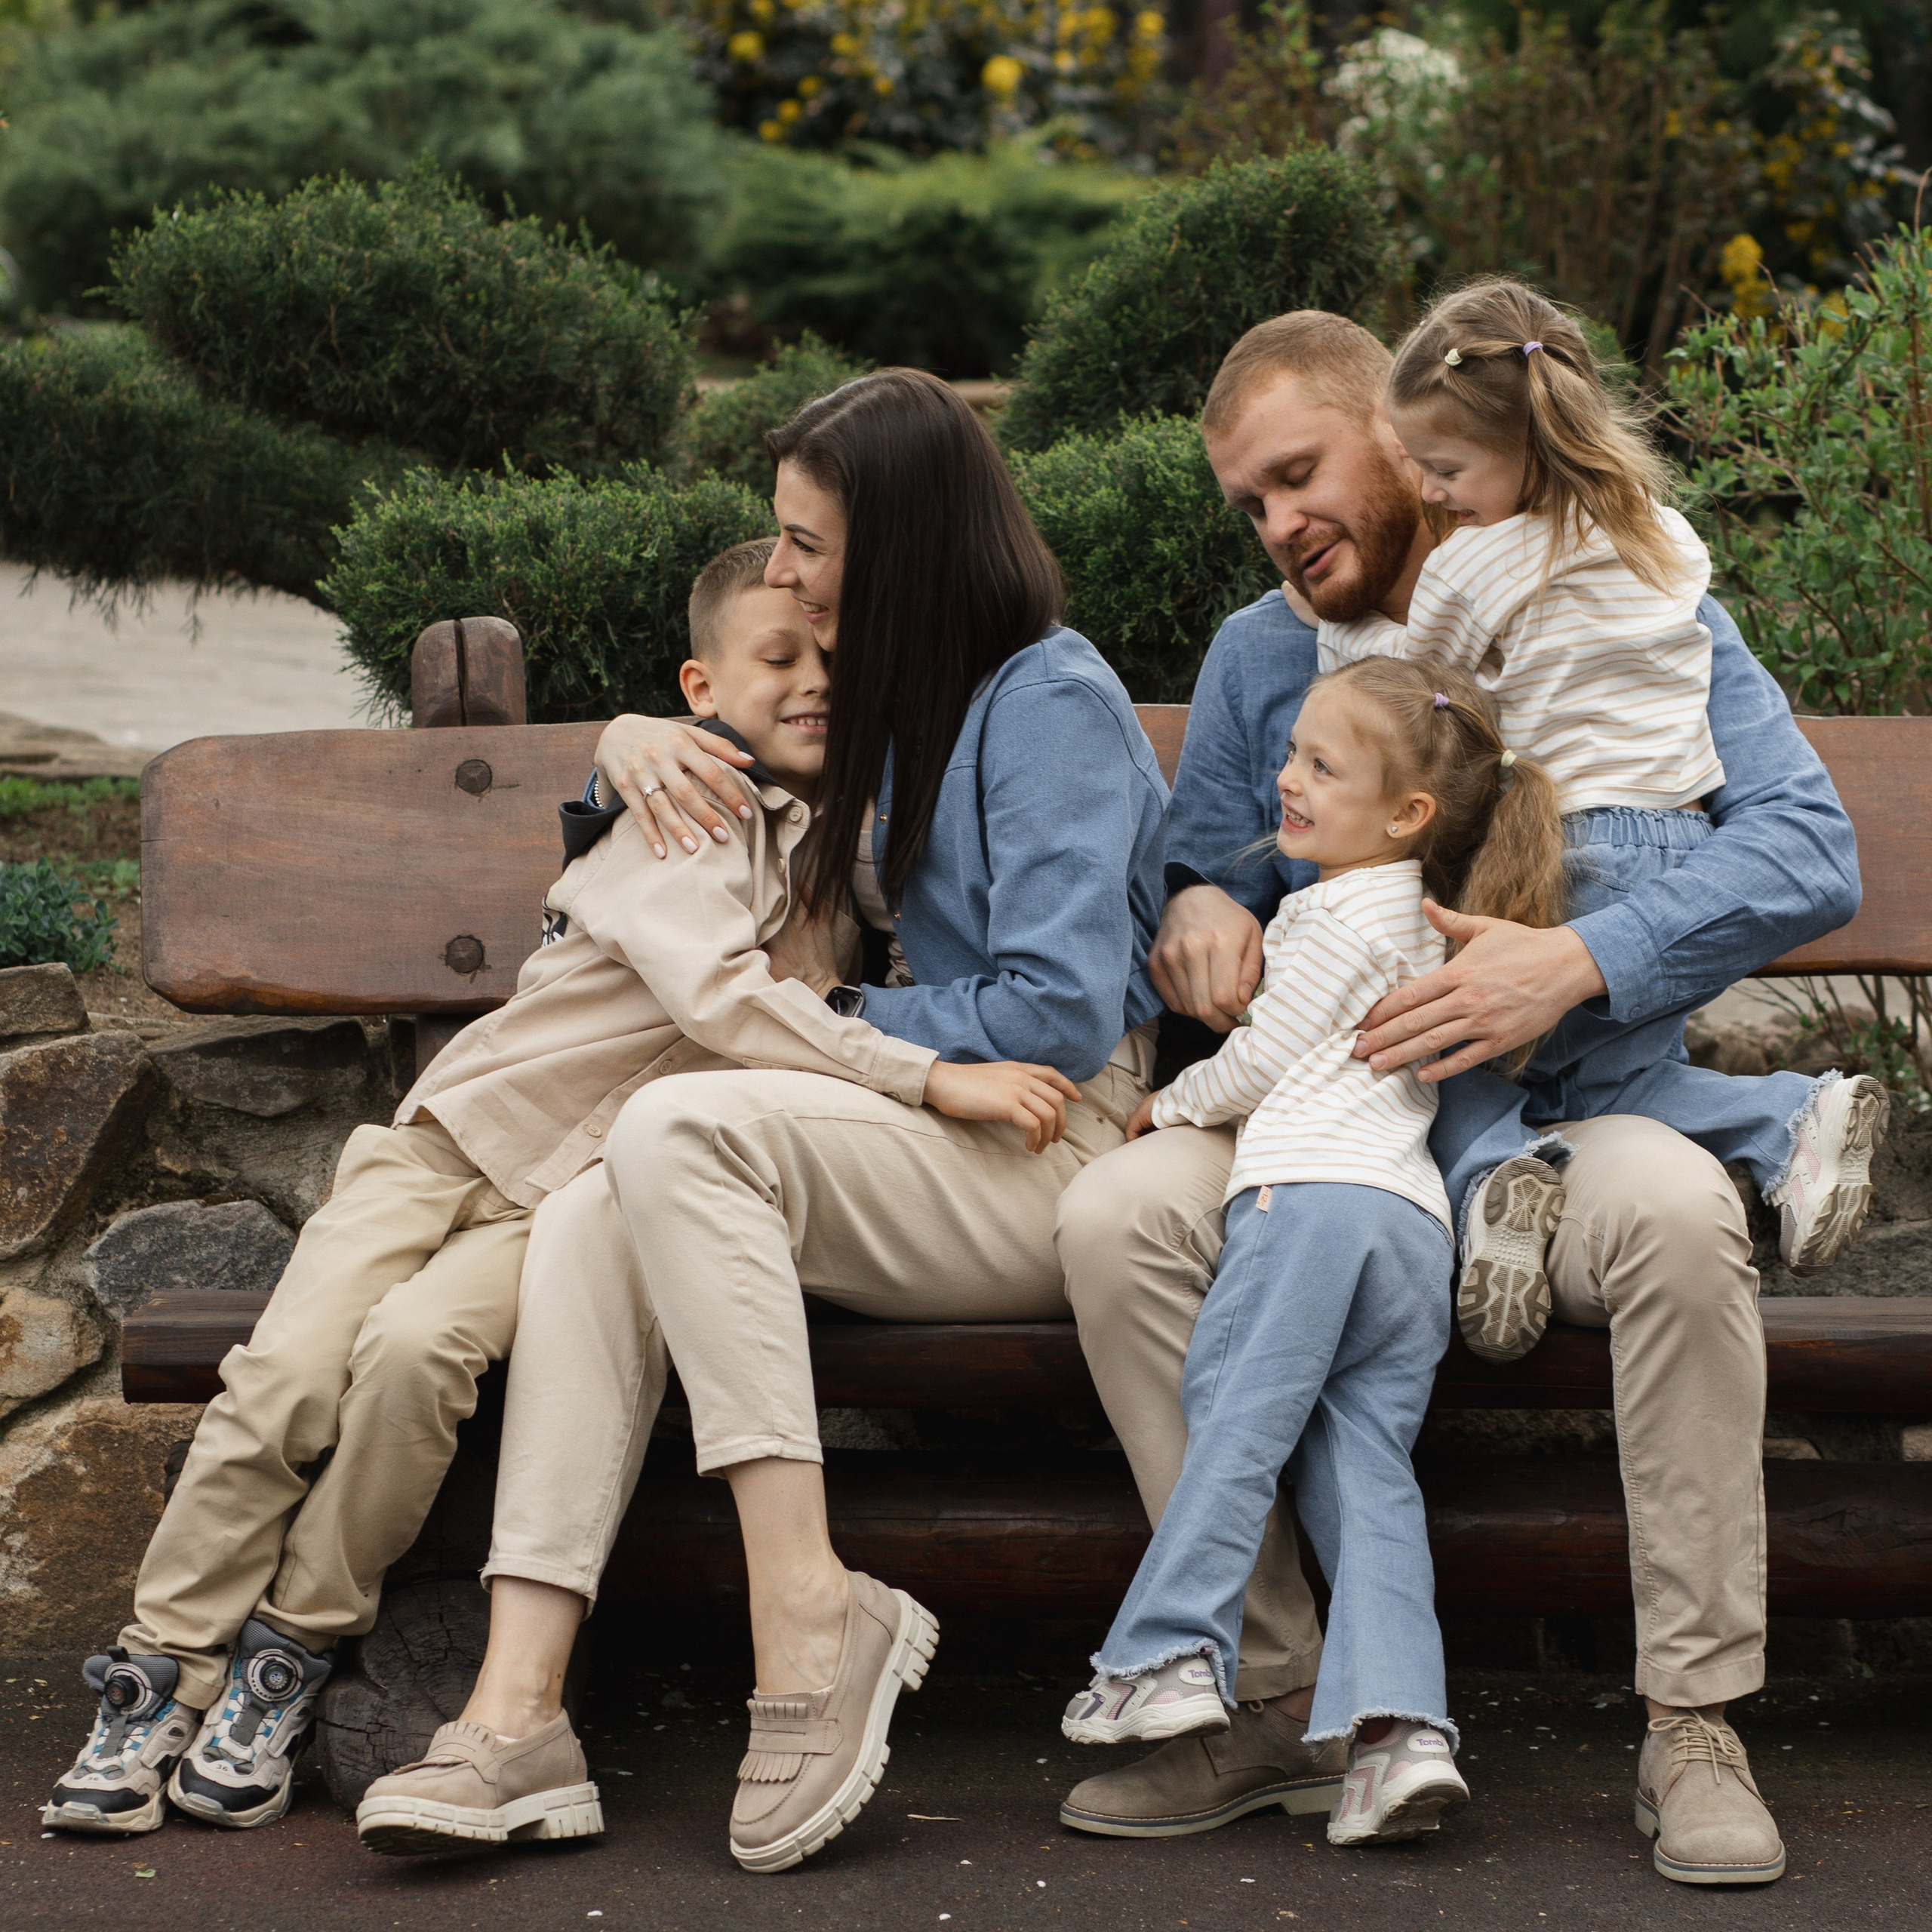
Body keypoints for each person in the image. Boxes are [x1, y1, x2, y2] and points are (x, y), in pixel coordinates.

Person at [43, 537, 1051, 1842]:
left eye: (835, 662)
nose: (815, 682)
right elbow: (720, 998)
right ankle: (160, 1672)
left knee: (416, 1361)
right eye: (780, 658)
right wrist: (928, 1076)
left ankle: (288, 1653)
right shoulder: (692, 805)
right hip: (450, 1146)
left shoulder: (832, 845)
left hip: (562, 1197)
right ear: (702, 688)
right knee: (286, 1377)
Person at [1052, 310, 1860, 1890]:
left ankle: (1690, 1718)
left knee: (1678, 1216)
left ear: (1399, 442)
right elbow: (1204, 859)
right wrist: (1197, 905)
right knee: (1116, 1215)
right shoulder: (1262, 654)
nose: (1280, 524)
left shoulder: (1614, 587)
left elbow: (1804, 847)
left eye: (1300, 475)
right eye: (1250, 503)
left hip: (1572, 1108)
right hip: (1338, 1108)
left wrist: (1577, 959)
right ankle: (1275, 1697)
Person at [353, 368, 1170, 1873]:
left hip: (1046, 1137)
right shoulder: (895, 696)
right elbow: (713, 775)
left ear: (899, 542)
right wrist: (618, 741)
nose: (783, 570)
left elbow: (1056, 1008)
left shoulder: (1045, 698)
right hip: (912, 1134)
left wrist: (838, 1017)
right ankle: (517, 1710)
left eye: (806, 542)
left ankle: (808, 1612)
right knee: (600, 1196)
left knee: (674, 1128)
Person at [1318, 278, 1887, 1361]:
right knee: (1611, 1082)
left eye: (1444, 469)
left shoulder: (1472, 564)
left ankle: (1497, 1184)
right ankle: (1788, 1121)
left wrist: (1341, 647)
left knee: (1447, 1047)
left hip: (1572, 854)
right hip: (1672, 837)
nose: (1433, 493)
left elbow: (1428, 692)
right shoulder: (1660, 543)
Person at [1066, 659, 1567, 1848]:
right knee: (1362, 1474)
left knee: (1234, 1410)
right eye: (1292, 753)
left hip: (1313, 1204)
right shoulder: (1413, 918)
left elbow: (1266, 1056)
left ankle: (1167, 1654)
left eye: (1322, 767)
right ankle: (1400, 1736)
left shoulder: (1337, 914)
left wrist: (1172, 1105)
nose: (1288, 779)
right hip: (1407, 1228)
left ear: (1406, 816)